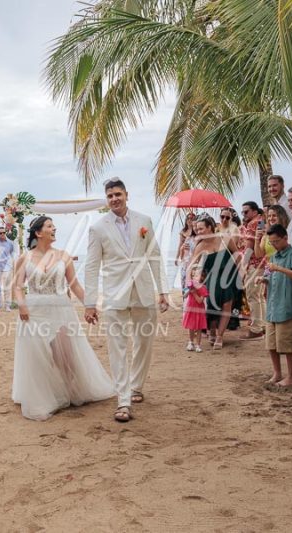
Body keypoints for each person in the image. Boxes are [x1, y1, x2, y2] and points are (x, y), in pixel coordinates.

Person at [13, 216, 114, 421]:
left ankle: (71, 391)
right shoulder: (25, 258)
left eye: (53, 226)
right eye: (50, 226)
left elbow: (75, 286)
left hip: (60, 310)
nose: (54, 229)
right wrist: (22, 306)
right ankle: (43, 396)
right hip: (34, 313)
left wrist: (90, 304)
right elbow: (16, 287)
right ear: (38, 233)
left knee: (66, 355)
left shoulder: (64, 256)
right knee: (38, 358)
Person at [84, 178, 169, 423]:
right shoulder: (98, 228)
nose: (114, 199)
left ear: (126, 195)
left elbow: (154, 255)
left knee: (144, 342)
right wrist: (90, 302)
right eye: (110, 196)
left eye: (117, 194)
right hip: (114, 295)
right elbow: (91, 267)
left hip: (143, 291)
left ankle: (136, 386)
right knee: (117, 347)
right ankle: (123, 400)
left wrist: (163, 290)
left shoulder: (144, 221)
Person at [260, 224, 292, 387]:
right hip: (273, 305)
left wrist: (279, 268)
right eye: (271, 242)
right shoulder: (274, 256)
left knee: (286, 343)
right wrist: (264, 279)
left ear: (285, 238)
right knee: (271, 344)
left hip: (286, 306)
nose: (274, 245)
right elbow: (270, 275)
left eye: (276, 241)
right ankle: (277, 373)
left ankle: (291, 377)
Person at [187, 215, 239, 350]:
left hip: (229, 276)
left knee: (227, 305)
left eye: (201, 229)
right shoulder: (200, 246)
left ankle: (220, 336)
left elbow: (237, 254)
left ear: (210, 227)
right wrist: (193, 281)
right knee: (212, 306)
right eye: (197, 229)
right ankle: (212, 330)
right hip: (212, 279)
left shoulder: (224, 238)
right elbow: (192, 265)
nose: (198, 232)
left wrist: (240, 271)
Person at [239, 201, 267, 339]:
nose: (243, 214)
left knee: (252, 296)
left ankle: (256, 329)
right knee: (260, 296)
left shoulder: (252, 224)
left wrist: (243, 268)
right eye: (242, 212)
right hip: (263, 263)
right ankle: (264, 325)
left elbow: (249, 247)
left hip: (254, 264)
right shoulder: (261, 221)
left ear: (254, 212)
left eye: (246, 212)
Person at [182, 266, 208, 353]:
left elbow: (200, 301)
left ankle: (198, 345)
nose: (194, 278)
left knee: (199, 328)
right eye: (193, 276)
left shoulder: (203, 288)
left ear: (202, 278)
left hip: (199, 311)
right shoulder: (191, 287)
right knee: (191, 327)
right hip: (191, 309)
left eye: (197, 276)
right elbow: (184, 296)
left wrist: (194, 293)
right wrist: (189, 291)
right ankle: (191, 342)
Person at [175, 213, 199, 294]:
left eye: (192, 218)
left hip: (193, 259)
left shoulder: (199, 232)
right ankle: (184, 298)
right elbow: (180, 245)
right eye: (188, 218)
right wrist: (177, 257)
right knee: (184, 279)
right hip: (185, 258)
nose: (190, 220)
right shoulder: (183, 231)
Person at [0, 227, 16, 309]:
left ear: (6, 232)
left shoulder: (10, 243)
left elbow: (11, 254)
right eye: (0, 233)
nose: (2, 234)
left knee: (7, 287)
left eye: (3, 232)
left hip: (7, 267)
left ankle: (7, 306)